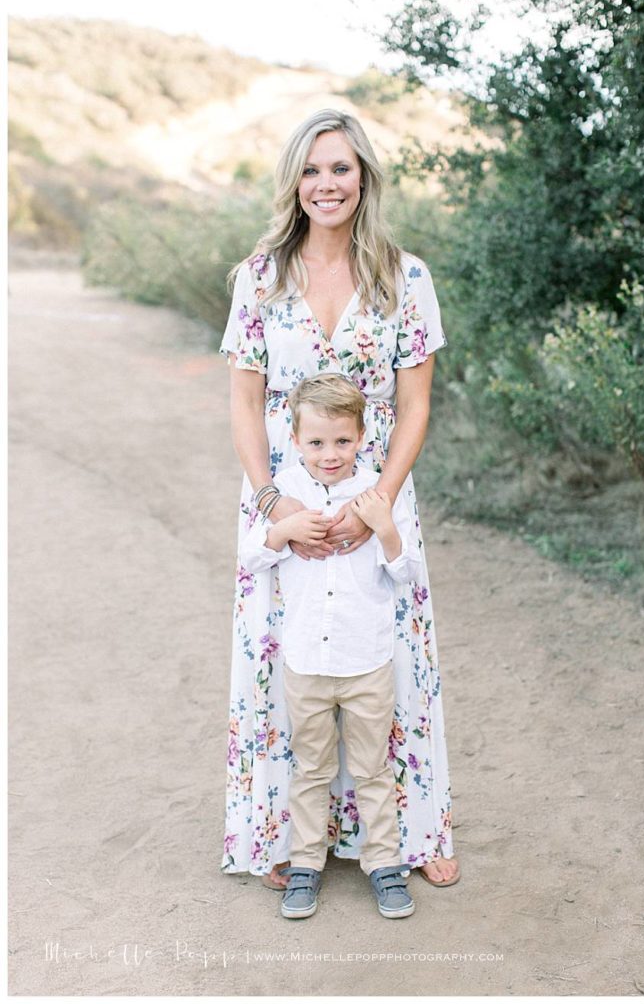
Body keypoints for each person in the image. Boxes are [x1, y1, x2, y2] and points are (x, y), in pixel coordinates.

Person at [220, 107, 460, 890]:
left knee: (391, 657)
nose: (327, 184)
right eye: (313, 170)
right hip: (285, 496)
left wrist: (377, 502)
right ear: (294, 182)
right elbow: (245, 401)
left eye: (341, 169)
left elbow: (416, 403)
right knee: (282, 658)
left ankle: (416, 833)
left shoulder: (405, 275)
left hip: (378, 490)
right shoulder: (260, 276)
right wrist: (272, 509)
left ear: (364, 179)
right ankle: (287, 840)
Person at [239, 374, 420, 919]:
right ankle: (305, 866)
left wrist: (383, 526)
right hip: (307, 663)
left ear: (363, 435)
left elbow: (404, 573)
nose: (330, 454)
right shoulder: (283, 492)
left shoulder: (377, 493)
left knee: (372, 768)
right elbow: (252, 560)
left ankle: (384, 864)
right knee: (311, 768)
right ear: (295, 440)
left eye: (342, 441)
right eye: (316, 442)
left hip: (366, 660)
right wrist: (284, 528)